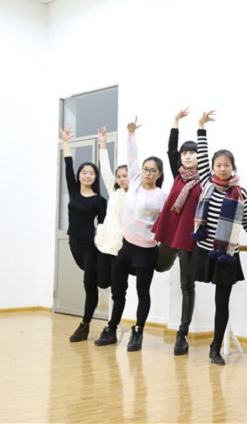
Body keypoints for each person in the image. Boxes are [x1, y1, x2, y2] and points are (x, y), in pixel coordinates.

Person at [190, 111, 247, 365]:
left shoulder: (241, 194)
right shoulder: (206, 184)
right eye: (218, 165)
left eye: (226, 165)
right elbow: (201, 154)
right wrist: (201, 127)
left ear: (233, 167)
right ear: (212, 167)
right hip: (205, 249)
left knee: (222, 302)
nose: (222, 168)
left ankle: (215, 347)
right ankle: (183, 335)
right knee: (187, 288)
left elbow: (246, 221)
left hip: (226, 254)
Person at [94, 117, 168, 352]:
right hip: (125, 248)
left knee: (142, 293)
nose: (148, 173)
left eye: (153, 171)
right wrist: (131, 134)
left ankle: (138, 333)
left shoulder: (161, 196)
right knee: (118, 291)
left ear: (159, 174)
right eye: (146, 169)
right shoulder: (134, 182)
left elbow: (166, 224)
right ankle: (111, 330)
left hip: (146, 251)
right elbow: (132, 156)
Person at [151, 108, 209, 356]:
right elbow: (171, 150)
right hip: (169, 233)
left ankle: (181, 335)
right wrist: (175, 122)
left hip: (188, 238)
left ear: (199, 156)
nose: (187, 156)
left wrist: (201, 127)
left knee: (187, 285)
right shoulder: (178, 175)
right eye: (185, 153)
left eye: (192, 153)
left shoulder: (204, 179)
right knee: (157, 265)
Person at [61, 127, 107, 343]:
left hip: (91, 246)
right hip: (74, 243)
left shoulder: (100, 201)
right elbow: (68, 165)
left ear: (95, 177)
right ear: (79, 176)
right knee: (90, 279)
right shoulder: (73, 190)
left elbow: (104, 226)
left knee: (89, 283)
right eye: (84, 172)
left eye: (91, 173)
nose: (87, 175)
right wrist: (65, 142)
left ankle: (84, 325)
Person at [94, 126, 129, 295]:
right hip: (105, 245)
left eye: (125, 175)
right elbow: (106, 172)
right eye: (119, 176)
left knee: (118, 288)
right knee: (102, 283)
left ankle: (117, 312)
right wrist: (103, 145)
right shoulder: (114, 192)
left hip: (119, 247)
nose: (121, 179)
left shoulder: (134, 195)